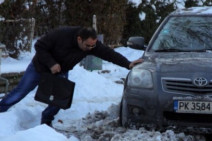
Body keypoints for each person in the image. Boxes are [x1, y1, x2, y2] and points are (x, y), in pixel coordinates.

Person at [0, 26, 143, 126]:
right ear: (79, 39)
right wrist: (51, 63)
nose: (91, 49)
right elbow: (39, 46)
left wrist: (128, 64)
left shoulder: (91, 45)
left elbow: (109, 54)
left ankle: (46, 121)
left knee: (61, 98)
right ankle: (1, 111)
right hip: (40, 66)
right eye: (88, 46)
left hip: (61, 70)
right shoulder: (61, 34)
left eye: (93, 46)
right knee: (20, 92)